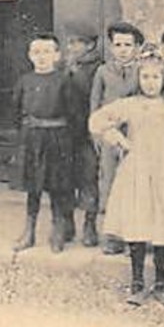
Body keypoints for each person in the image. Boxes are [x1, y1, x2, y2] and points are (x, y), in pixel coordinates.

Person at [89, 48, 164, 304]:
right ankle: (137, 282)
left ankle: (161, 284)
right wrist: (119, 139)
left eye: (156, 77)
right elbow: (97, 121)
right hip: (137, 173)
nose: (150, 83)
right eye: (145, 77)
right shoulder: (130, 106)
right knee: (138, 225)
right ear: (138, 79)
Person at [12, 34, 76, 253]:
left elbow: (73, 113)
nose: (42, 57)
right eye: (37, 52)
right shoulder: (25, 81)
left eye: (47, 52)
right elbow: (15, 111)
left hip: (57, 139)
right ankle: (28, 231)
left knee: (57, 187)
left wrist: (66, 140)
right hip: (32, 139)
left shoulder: (64, 80)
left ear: (57, 55)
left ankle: (57, 230)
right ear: (30, 55)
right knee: (33, 187)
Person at [89, 21, 145, 253]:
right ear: (111, 47)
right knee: (109, 182)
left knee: (134, 184)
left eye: (128, 45)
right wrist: (97, 135)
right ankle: (111, 236)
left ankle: (135, 236)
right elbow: (95, 104)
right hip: (109, 135)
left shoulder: (143, 70)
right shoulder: (103, 71)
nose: (123, 49)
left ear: (137, 47)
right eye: (118, 44)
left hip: (134, 135)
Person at [61, 27, 103, 247]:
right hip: (66, 132)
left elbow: (92, 95)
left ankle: (89, 224)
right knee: (65, 177)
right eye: (69, 43)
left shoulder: (97, 68)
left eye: (77, 42)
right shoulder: (65, 65)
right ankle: (67, 222)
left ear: (90, 45)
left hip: (87, 132)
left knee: (89, 177)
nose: (71, 47)